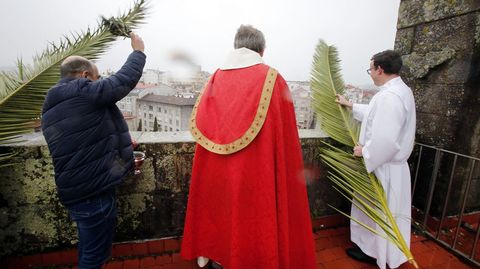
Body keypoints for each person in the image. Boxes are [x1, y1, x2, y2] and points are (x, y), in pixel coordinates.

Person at [180, 25, 317, 269]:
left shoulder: (214, 78)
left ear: (236, 46)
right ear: (262, 50)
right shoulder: (273, 79)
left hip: (215, 169)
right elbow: (285, 136)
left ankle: (215, 255)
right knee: (250, 217)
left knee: (217, 209)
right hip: (255, 170)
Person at [41, 33, 146, 269]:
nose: (98, 84)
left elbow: (83, 139)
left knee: (89, 250)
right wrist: (138, 52)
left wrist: (122, 151)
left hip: (78, 190)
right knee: (94, 258)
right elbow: (121, 82)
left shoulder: (53, 103)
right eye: (96, 79)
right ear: (84, 75)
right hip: (92, 193)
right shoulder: (81, 90)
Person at [336, 50, 416, 269]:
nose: (370, 73)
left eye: (370, 69)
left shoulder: (390, 97)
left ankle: (376, 254)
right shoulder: (400, 90)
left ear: (380, 69)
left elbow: (387, 139)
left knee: (378, 214)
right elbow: (375, 114)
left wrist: (366, 152)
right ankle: (380, 252)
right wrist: (350, 105)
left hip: (383, 166)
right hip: (391, 167)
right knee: (387, 214)